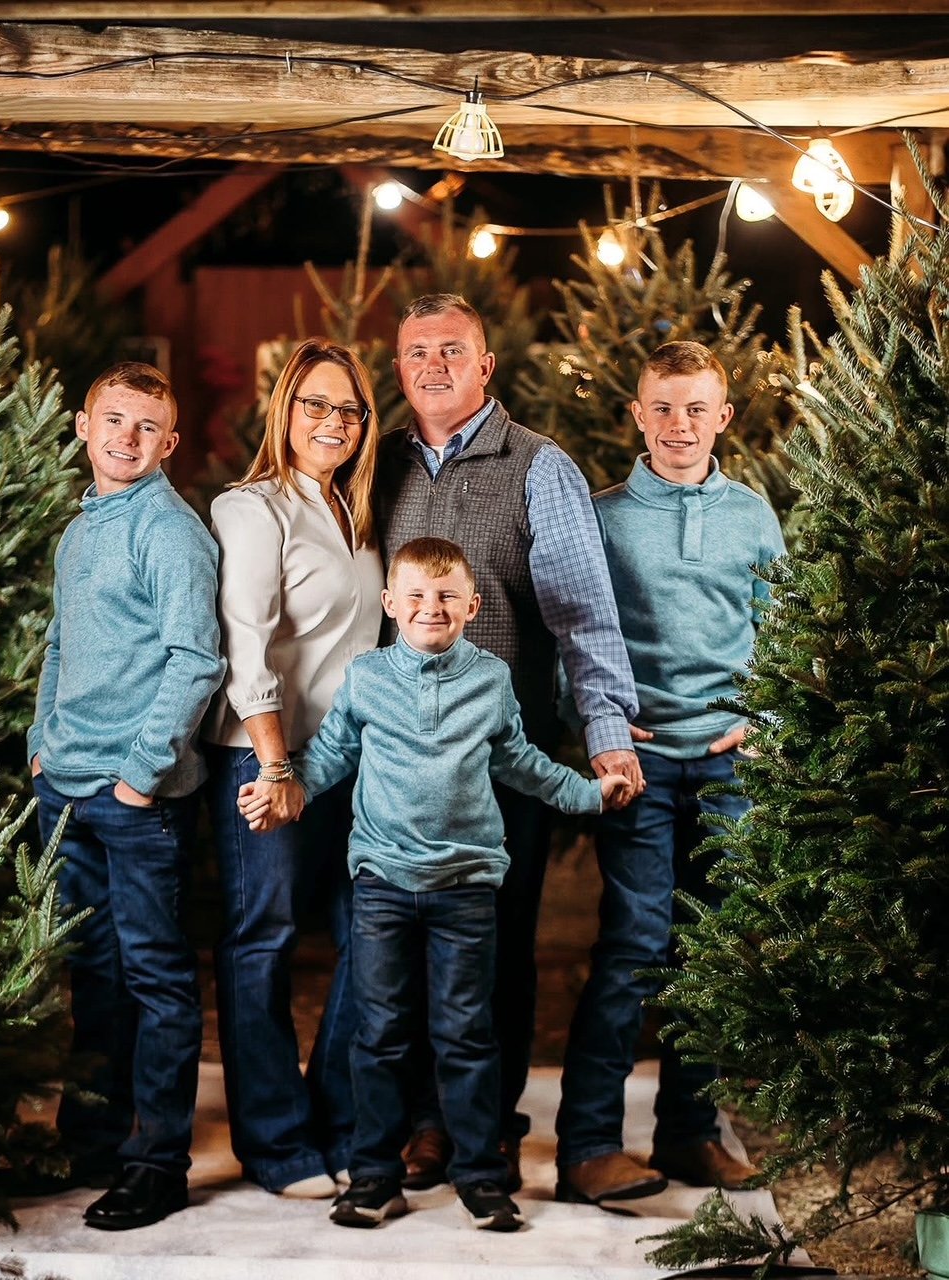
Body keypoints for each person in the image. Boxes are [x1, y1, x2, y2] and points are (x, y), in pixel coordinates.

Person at [240, 537, 632, 1231]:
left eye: (448, 596)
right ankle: (373, 1176)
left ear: (472, 607)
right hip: (382, 887)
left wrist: (586, 793)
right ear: (389, 604)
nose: (432, 607)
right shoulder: (367, 677)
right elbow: (331, 756)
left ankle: (479, 1178)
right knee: (381, 1035)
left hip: (465, 889)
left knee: (466, 1035)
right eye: (416, 595)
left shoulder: (491, 679)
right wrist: (288, 790)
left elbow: (521, 762)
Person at [374, 293, 641, 1189]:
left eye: (453, 350)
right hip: (396, 757)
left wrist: (605, 731)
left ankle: (483, 1125)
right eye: (418, 352)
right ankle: (423, 1124)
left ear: (485, 366)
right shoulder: (380, 466)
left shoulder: (538, 466)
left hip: (500, 756)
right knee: (403, 941)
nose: (434, 365)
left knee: (493, 941)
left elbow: (582, 616)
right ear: (400, 368)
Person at [554, 340, 787, 1208]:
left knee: (712, 948)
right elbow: (572, 631)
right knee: (635, 945)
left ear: (723, 417)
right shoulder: (603, 517)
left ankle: (689, 1133)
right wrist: (600, 723)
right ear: (637, 415)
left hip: (729, 765)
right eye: (662, 407)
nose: (678, 424)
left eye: (695, 408)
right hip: (640, 763)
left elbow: (782, 630)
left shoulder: (753, 516)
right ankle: (587, 1144)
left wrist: (763, 717)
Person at [27, 362, 225, 1230]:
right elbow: (60, 642)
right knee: (94, 976)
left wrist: (142, 773)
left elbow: (196, 659)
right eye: (113, 419)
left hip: (136, 799)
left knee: (155, 979)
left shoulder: (169, 532)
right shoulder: (83, 528)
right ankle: (92, 1142)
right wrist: (41, 744)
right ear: (83, 425)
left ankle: (156, 1165)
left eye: (147, 427)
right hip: (67, 788)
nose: (127, 438)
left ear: (169, 443)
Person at [202, 339, 383, 1199]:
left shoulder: (356, 512)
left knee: (369, 936)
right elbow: (245, 645)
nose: (333, 421)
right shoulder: (252, 508)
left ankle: (339, 1119)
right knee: (263, 939)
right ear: (284, 410)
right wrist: (277, 767)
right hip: (265, 754)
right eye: (316, 403)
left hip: (350, 762)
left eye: (349, 409)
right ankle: (275, 1143)